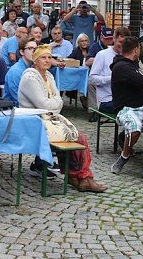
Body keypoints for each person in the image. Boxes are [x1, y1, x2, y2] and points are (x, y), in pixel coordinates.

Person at [18, 44, 106, 192]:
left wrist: (54, 104)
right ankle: (80, 177)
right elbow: (44, 104)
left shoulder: (50, 76)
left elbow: (58, 103)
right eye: (43, 57)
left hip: (49, 119)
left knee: (79, 137)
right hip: (33, 122)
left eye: (49, 57)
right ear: (35, 61)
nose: (47, 60)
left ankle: (82, 177)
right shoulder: (29, 77)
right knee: (77, 138)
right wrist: (55, 104)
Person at [111, 36, 143, 174]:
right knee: (135, 129)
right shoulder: (122, 67)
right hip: (127, 109)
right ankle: (124, 156)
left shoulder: (133, 65)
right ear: (136, 50)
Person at [89, 26, 129, 113]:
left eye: (125, 43)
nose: (122, 45)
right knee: (130, 108)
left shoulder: (128, 56)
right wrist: (112, 78)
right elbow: (92, 79)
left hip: (124, 98)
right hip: (106, 100)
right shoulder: (102, 55)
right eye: (120, 42)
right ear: (114, 39)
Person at [2, 37, 37, 103]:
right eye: (30, 48)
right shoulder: (15, 71)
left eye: (35, 49)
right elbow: (18, 99)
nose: (34, 51)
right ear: (22, 52)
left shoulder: (33, 67)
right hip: (14, 110)